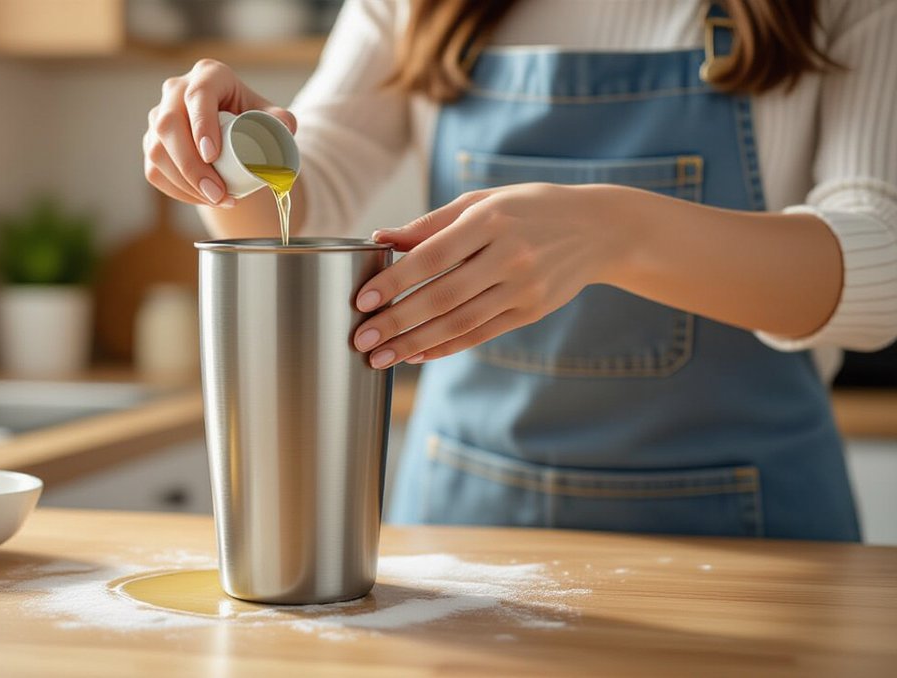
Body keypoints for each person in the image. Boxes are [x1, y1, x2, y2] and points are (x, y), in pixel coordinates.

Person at [143, 0, 897, 541]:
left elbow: (879, 265)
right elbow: (302, 199)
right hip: (464, 529)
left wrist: (614, 231)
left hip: (752, 542)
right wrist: (228, 156)